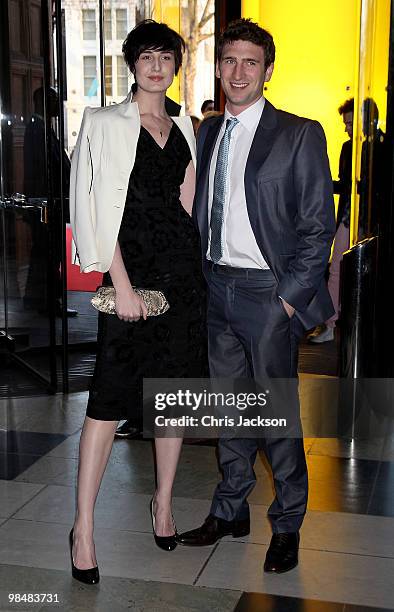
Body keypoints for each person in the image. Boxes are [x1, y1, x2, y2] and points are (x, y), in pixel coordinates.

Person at [177, 18, 335, 575]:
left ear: (268, 71)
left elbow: (319, 228)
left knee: (275, 416)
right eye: (229, 61)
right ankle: (231, 508)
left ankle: (288, 522)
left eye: (250, 62)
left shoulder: (299, 133)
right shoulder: (209, 131)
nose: (238, 72)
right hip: (216, 288)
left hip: (268, 293)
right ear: (219, 68)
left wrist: (288, 300)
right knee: (228, 408)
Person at [69, 19, 206, 584]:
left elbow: (188, 194)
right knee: (108, 403)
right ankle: (83, 527)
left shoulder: (185, 125)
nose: (156, 66)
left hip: (181, 277)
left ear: (177, 65)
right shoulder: (102, 123)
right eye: (146, 56)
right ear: (131, 64)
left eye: (166, 57)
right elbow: (93, 206)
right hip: (130, 275)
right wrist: (118, 283)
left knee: (171, 398)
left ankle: (165, 504)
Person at [308, 98, 353, 343]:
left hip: (368, 219)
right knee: (335, 268)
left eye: (349, 123)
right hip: (347, 217)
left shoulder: (383, 145)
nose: (346, 128)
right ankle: (330, 323)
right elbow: (346, 184)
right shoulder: (348, 148)